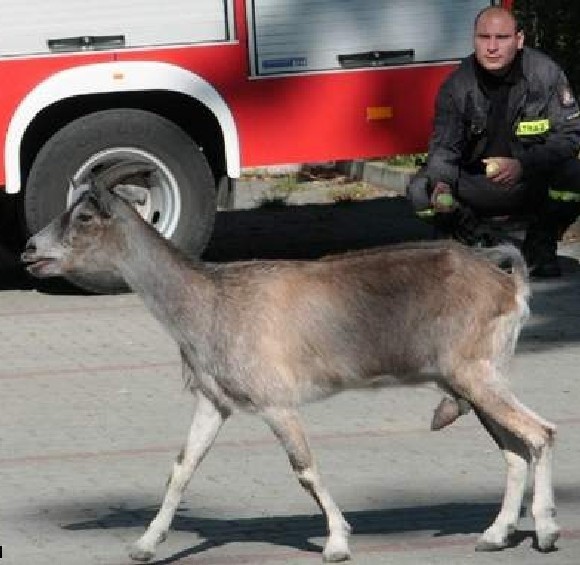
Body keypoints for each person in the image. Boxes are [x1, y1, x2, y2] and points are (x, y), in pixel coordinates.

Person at [407, 6, 580, 277]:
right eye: (483, 37)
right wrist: (441, 184)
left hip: (529, 180)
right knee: (420, 190)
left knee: (574, 174)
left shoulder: (546, 75)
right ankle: (478, 239)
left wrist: (523, 164)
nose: (491, 47)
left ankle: (541, 244)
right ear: (474, 40)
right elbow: (444, 148)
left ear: (519, 40)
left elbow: (569, 136)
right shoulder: (457, 85)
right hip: (476, 186)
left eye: (501, 38)